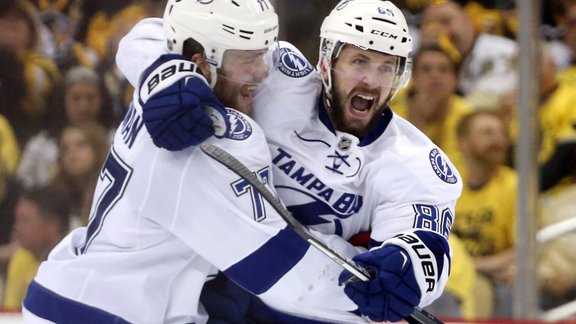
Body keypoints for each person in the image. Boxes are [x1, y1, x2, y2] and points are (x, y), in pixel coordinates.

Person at [22, 1, 392, 323]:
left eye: (263, 53)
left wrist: (161, 70)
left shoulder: (165, 92)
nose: (263, 72)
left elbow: (153, 32)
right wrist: (367, 279)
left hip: (85, 296)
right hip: (105, 312)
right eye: (248, 58)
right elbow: (277, 269)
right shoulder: (212, 138)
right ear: (201, 61)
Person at [116, 0, 461, 322]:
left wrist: (410, 269)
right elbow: (156, 35)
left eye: (386, 68)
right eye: (359, 62)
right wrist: (168, 78)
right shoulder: (276, 77)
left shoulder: (416, 163)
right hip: (218, 295)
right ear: (327, 62)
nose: (371, 81)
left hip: (310, 311)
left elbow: (425, 248)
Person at [453, 110, 516, 318]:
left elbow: (526, 250)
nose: (498, 140)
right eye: (488, 133)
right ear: (463, 142)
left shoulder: (515, 186)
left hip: (494, 277)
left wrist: (474, 266)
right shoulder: (447, 181)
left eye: (501, 133)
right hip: (447, 271)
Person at [3, 186, 71, 311]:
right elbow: (11, 315)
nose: (16, 227)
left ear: (52, 225)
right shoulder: (21, 258)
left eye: (25, 220)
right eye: (17, 219)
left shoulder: (72, 265)